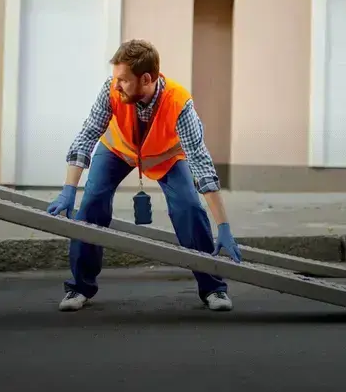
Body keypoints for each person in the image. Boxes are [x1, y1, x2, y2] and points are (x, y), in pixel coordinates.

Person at [46, 39, 242, 312]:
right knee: (91, 203)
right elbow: (88, 133)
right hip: (118, 149)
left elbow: (201, 163)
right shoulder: (110, 90)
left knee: (188, 207)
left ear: (146, 79)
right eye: (116, 79)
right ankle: (79, 288)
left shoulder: (179, 103)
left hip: (166, 157)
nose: (116, 85)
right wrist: (69, 188)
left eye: (124, 80)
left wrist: (223, 226)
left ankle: (213, 288)